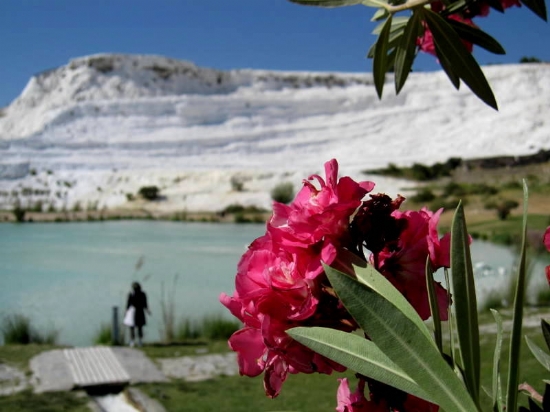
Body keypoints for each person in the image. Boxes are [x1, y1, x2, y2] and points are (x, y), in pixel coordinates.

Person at [126, 282, 151, 347]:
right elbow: (129, 303)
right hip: (135, 311)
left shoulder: (134, 294)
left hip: (137, 311)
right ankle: (135, 341)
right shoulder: (138, 294)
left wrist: (127, 311)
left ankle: (136, 341)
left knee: (136, 327)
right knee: (135, 327)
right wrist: (147, 310)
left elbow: (128, 304)